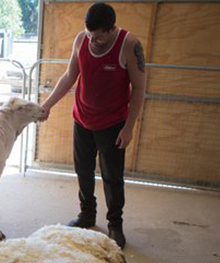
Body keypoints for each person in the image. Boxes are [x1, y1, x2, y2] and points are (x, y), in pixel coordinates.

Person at [39, 2, 147, 249]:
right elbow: (69, 76)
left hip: (113, 124)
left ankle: (115, 224)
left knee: (112, 177)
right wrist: (47, 105)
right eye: (89, 34)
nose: (93, 40)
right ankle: (87, 214)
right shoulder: (81, 40)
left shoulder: (129, 44)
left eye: (98, 36)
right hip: (83, 120)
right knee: (83, 171)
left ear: (111, 29)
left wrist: (129, 127)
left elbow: (139, 88)